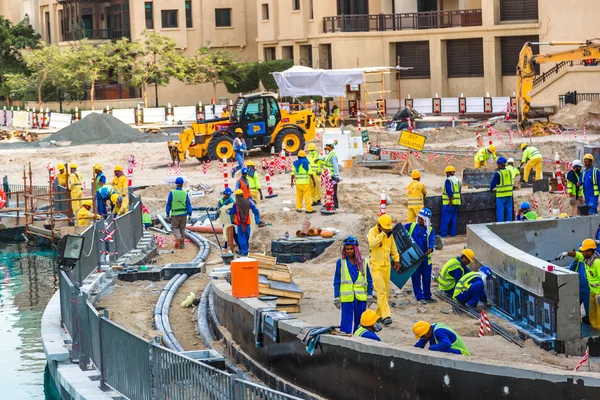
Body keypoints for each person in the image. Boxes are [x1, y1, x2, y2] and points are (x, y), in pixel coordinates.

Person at [333, 236, 374, 334]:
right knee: (346, 322)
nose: (349, 251)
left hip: (360, 298)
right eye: (347, 249)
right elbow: (337, 281)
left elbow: (369, 280)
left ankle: (358, 338)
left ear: (355, 249)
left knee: (360, 322)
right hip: (347, 298)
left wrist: (370, 294)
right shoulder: (341, 263)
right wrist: (336, 296)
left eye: (351, 249)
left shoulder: (363, 262)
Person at [558, 239, 600, 328]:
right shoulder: (586, 259)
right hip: (592, 292)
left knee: (599, 315)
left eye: (583, 251)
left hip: (598, 293)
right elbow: (576, 254)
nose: (581, 253)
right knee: (592, 316)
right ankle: (594, 330)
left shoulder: (597, 262)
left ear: (589, 251)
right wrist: (566, 253)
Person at [368, 214, 400, 326]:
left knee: (386, 293)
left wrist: (397, 260)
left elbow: (393, 248)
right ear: (380, 226)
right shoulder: (373, 232)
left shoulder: (389, 235)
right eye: (386, 229)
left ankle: (377, 316)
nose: (388, 231)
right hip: (375, 267)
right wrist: (382, 234)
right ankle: (386, 315)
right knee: (381, 291)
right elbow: (371, 243)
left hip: (386, 266)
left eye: (389, 229)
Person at [405, 208, 436, 305]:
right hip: (415, 258)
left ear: (426, 220)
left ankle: (427, 295)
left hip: (426, 260)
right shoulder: (412, 226)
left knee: (427, 278)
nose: (419, 220)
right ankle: (419, 296)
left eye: (421, 219)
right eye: (419, 218)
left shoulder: (430, 230)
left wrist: (430, 248)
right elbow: (400, 230)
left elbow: (431, 240)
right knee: (416, 278)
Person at [228, 189, 260, 256]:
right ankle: (246, 249)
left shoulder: (236, 204)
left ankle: (244, 252)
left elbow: (231, 213)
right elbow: (255, 209)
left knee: (242, 238)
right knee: (246, 236)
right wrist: (257, 219)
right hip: (247, 223)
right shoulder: (248, 202)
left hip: (240, 224)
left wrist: (228, 212)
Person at [166, 177, 192, 249]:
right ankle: (182, 245)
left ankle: (178, 237)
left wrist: (167, 213)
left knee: (175, 227)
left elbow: (168, 204)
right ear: (182, 184)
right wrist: (190, 214)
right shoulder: (185, 193)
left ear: (176, 184)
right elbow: (188, 204)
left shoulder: (172, 193)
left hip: (175, 214)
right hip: (184, 214)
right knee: (182, 229)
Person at [567, 242, 590, 318]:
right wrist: (575, 261)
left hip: (588, 291)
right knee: (572, 310)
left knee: (589, 313)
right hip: (578, 290)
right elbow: (570, 270)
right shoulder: (577, 262)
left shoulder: (593, 262)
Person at [490, 157, 513, 222]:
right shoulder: (509, 172)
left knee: (500, 211)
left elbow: (493, 184)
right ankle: (509, 224)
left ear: (500, 165)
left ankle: (500, 225)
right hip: (509, 194)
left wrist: (490, 189)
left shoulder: (498, 173)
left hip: (500, 195)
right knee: (509, 210)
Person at [440, 166, 461, 237]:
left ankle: (443, 234)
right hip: (457, 203)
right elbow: (459, 191)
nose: (446, 174)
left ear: (448, 173)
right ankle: (453, 233)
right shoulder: (458, 181)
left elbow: (449, 192)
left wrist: (450, 202)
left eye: (446, 173)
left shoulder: (448, 180)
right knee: (453, 219)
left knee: (445, 219)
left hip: (449, 203)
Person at [218, 188, 237, 253]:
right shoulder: (221, 201)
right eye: (227, 195)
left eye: (229, 195)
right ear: (224, 194)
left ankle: (236, 244)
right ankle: (226, 245)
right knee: (225, 232)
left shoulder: (232, 200)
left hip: (231, 219)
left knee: (234, 232)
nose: (228, 196)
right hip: (224, 218)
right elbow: (219, 210)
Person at [322, 141, 340, 208]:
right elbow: (325, 158)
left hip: (332, 176)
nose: (325, 147)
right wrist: (319, 159)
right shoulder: (329, 154)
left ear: (330, 146)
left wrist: (337, 176)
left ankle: (335, 204)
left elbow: (335, 166)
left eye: (326, 145)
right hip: (328, 176)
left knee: (333, 191)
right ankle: (329, 203)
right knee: (328, 190)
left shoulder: (332, 155)